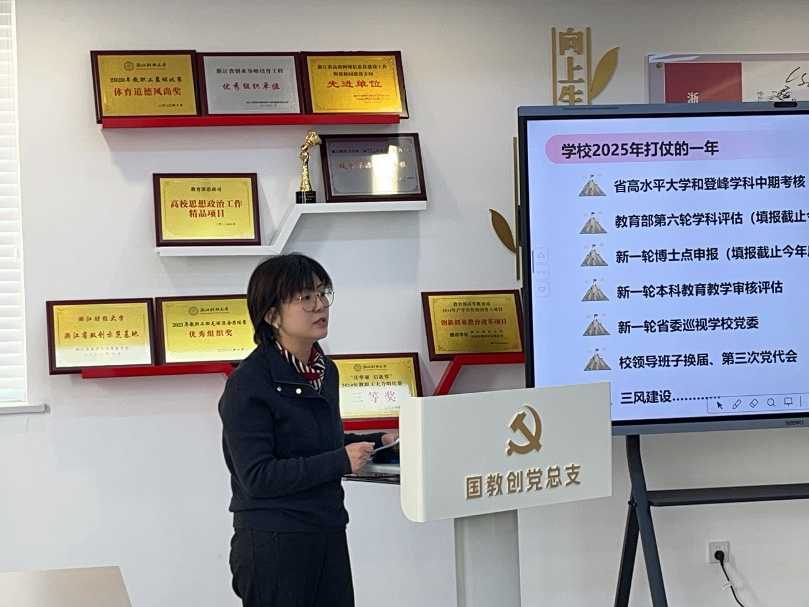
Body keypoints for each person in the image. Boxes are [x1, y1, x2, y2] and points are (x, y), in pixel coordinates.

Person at [218, 253, 398, 607]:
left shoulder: (324, 371)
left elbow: (318, 444)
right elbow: (257, 476)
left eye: (322, 292)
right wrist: (340, 460)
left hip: (327, 529)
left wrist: (380, 442)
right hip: (275, 540)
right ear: (272, 315)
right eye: (304, 297)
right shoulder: (249, 383)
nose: (320, 305)